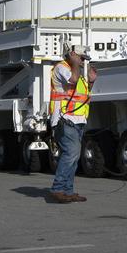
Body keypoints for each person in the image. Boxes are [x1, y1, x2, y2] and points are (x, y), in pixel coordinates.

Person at [49, 43, 96, 203]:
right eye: (81, 58)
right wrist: (76, 64)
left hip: (78, 120)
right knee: (71, 153)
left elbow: (83, 92)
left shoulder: (79, 71)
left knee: (73, 157)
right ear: (72, 56)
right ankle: (58, 189)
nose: (83, 62)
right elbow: (73, 80)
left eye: (84, 59)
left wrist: (91, 81)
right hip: (64, 119)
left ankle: (67, 191)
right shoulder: (61, 68)